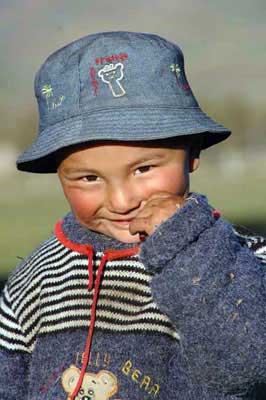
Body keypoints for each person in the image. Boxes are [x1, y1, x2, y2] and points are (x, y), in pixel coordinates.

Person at [0, 31, 266, 400]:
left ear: (192, 153)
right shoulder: (36, 279)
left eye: (143, 169)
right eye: (89, 178)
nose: (122, 200)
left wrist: (182, 244)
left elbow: (244, 369)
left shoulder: (244, 262)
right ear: (59, 173)